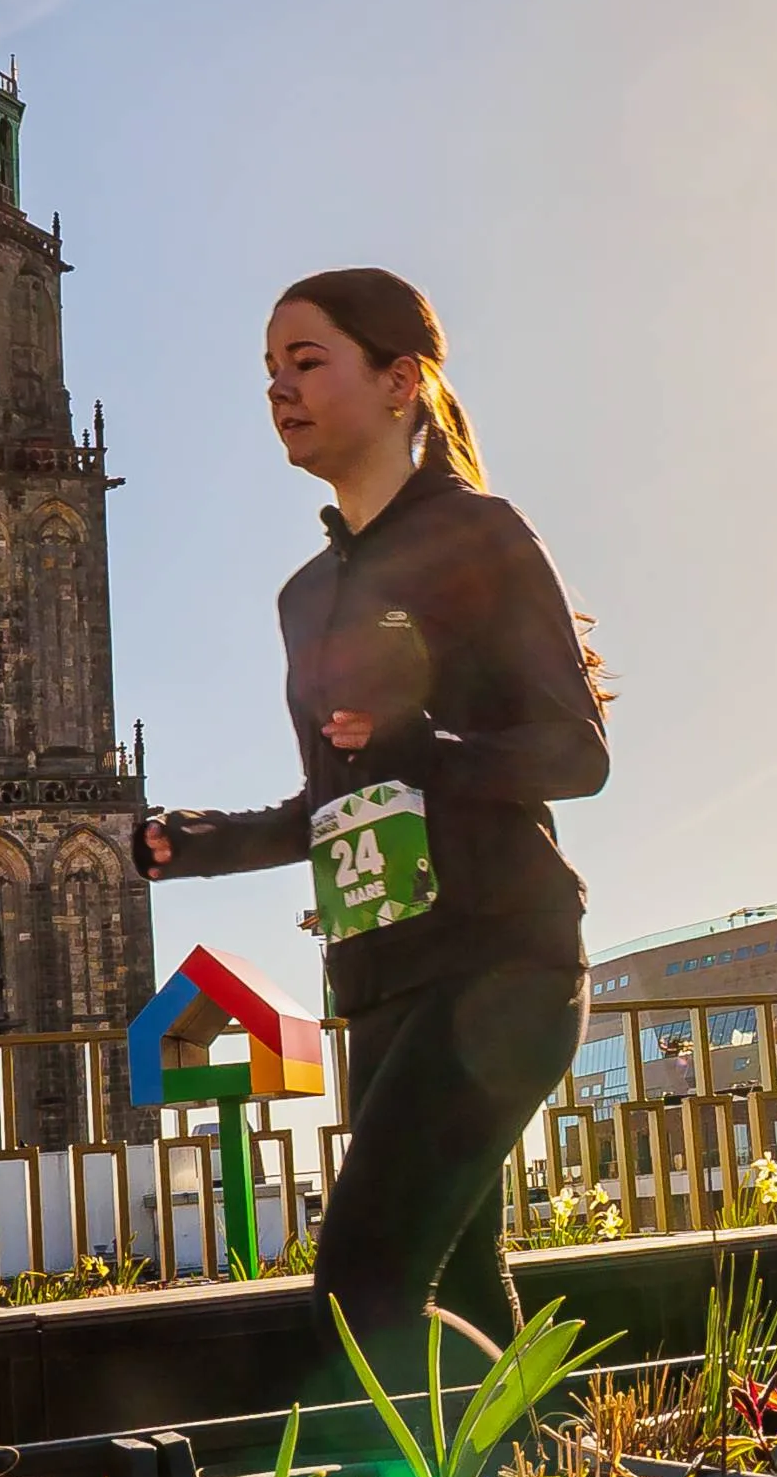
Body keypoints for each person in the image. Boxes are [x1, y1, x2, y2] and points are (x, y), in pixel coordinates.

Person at [138, 269, 609, 1379]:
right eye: (269, 371)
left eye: (308, 362)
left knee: (365, 1282)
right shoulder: (304, 597)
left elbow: (576, 753)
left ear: (402, 382)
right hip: (381, 974)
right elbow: (337, 802)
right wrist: (198, 842)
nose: (279, 389)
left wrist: (431, 752)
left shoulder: (481, 536)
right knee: (458, 1282)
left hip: (504, 960)